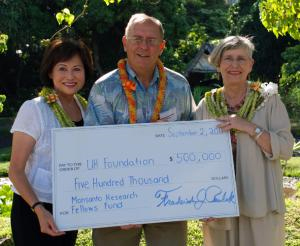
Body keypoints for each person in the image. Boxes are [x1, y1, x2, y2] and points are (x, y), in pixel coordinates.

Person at [85, 13, 195, 246]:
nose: (144, 46)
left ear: (162, 46)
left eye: (151, 40)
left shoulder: (179, 86)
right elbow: (92, 149)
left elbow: (193, 138)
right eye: (137, 39)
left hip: (169, 195)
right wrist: (115, 205)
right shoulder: (104, 89)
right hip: (117, 199)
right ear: (125, 43)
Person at [195, 36, 294, 246]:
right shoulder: (207, 104)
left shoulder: (268, 101)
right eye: (228, 58)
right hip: (218, 203)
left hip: (261, 201)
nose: (234, 65)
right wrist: (199, 201)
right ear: (218, 63)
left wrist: (248, 127)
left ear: (251, 65)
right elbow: (194, 159)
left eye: (241, 59)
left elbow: (285, 149)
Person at [8, 38, 93, 246]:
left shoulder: (86, 109)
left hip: (69, 207)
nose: (70, 76)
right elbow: (15, 170)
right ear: (50, 72)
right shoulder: (34, 109)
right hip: (33, 209)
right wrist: (39, 209)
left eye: (77, 69)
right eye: (62, 68)